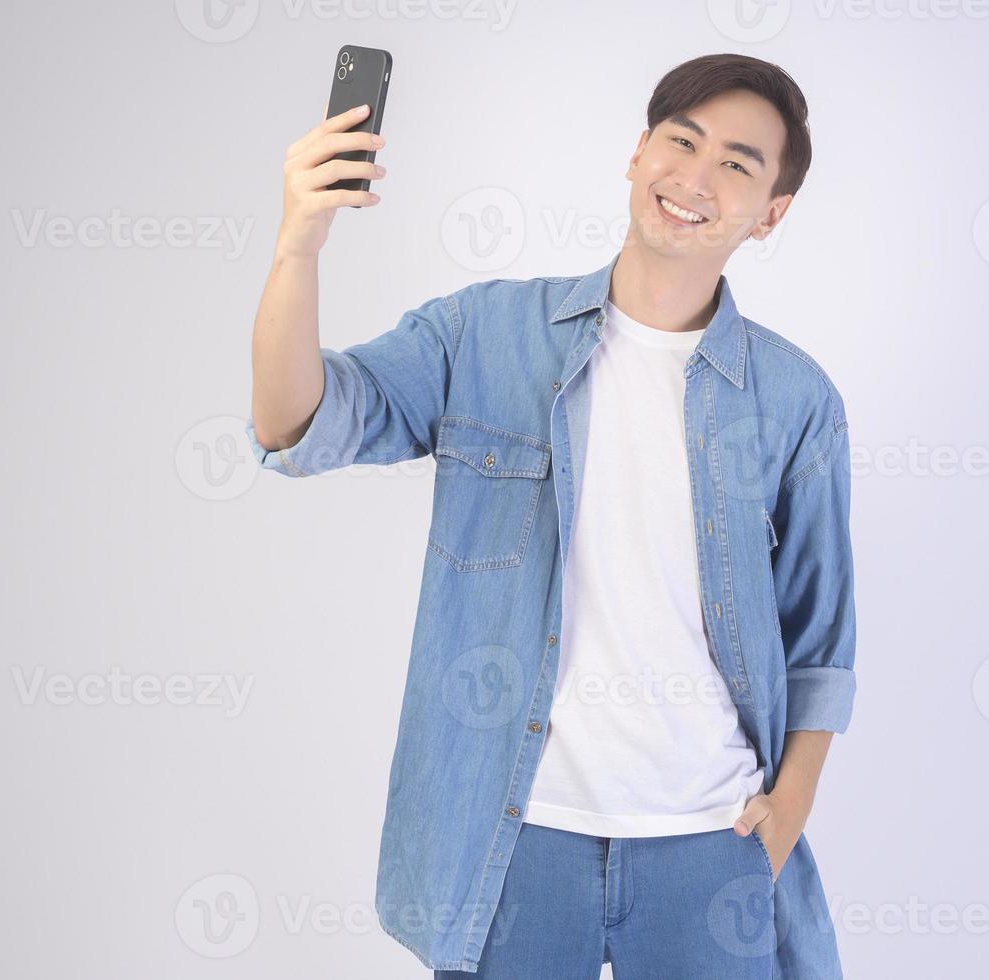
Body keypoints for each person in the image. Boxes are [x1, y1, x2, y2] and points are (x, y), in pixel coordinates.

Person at [246, 52, 857, 980]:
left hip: (710, 843)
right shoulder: (483, 333)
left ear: (770, 212)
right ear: (636, 155)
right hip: (515, 841)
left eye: (737, 163)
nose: (693, 176)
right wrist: (297, 248)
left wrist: (790, 809)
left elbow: (820, 639)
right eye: (679, 140)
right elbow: (298, 422)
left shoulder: (795, 397)